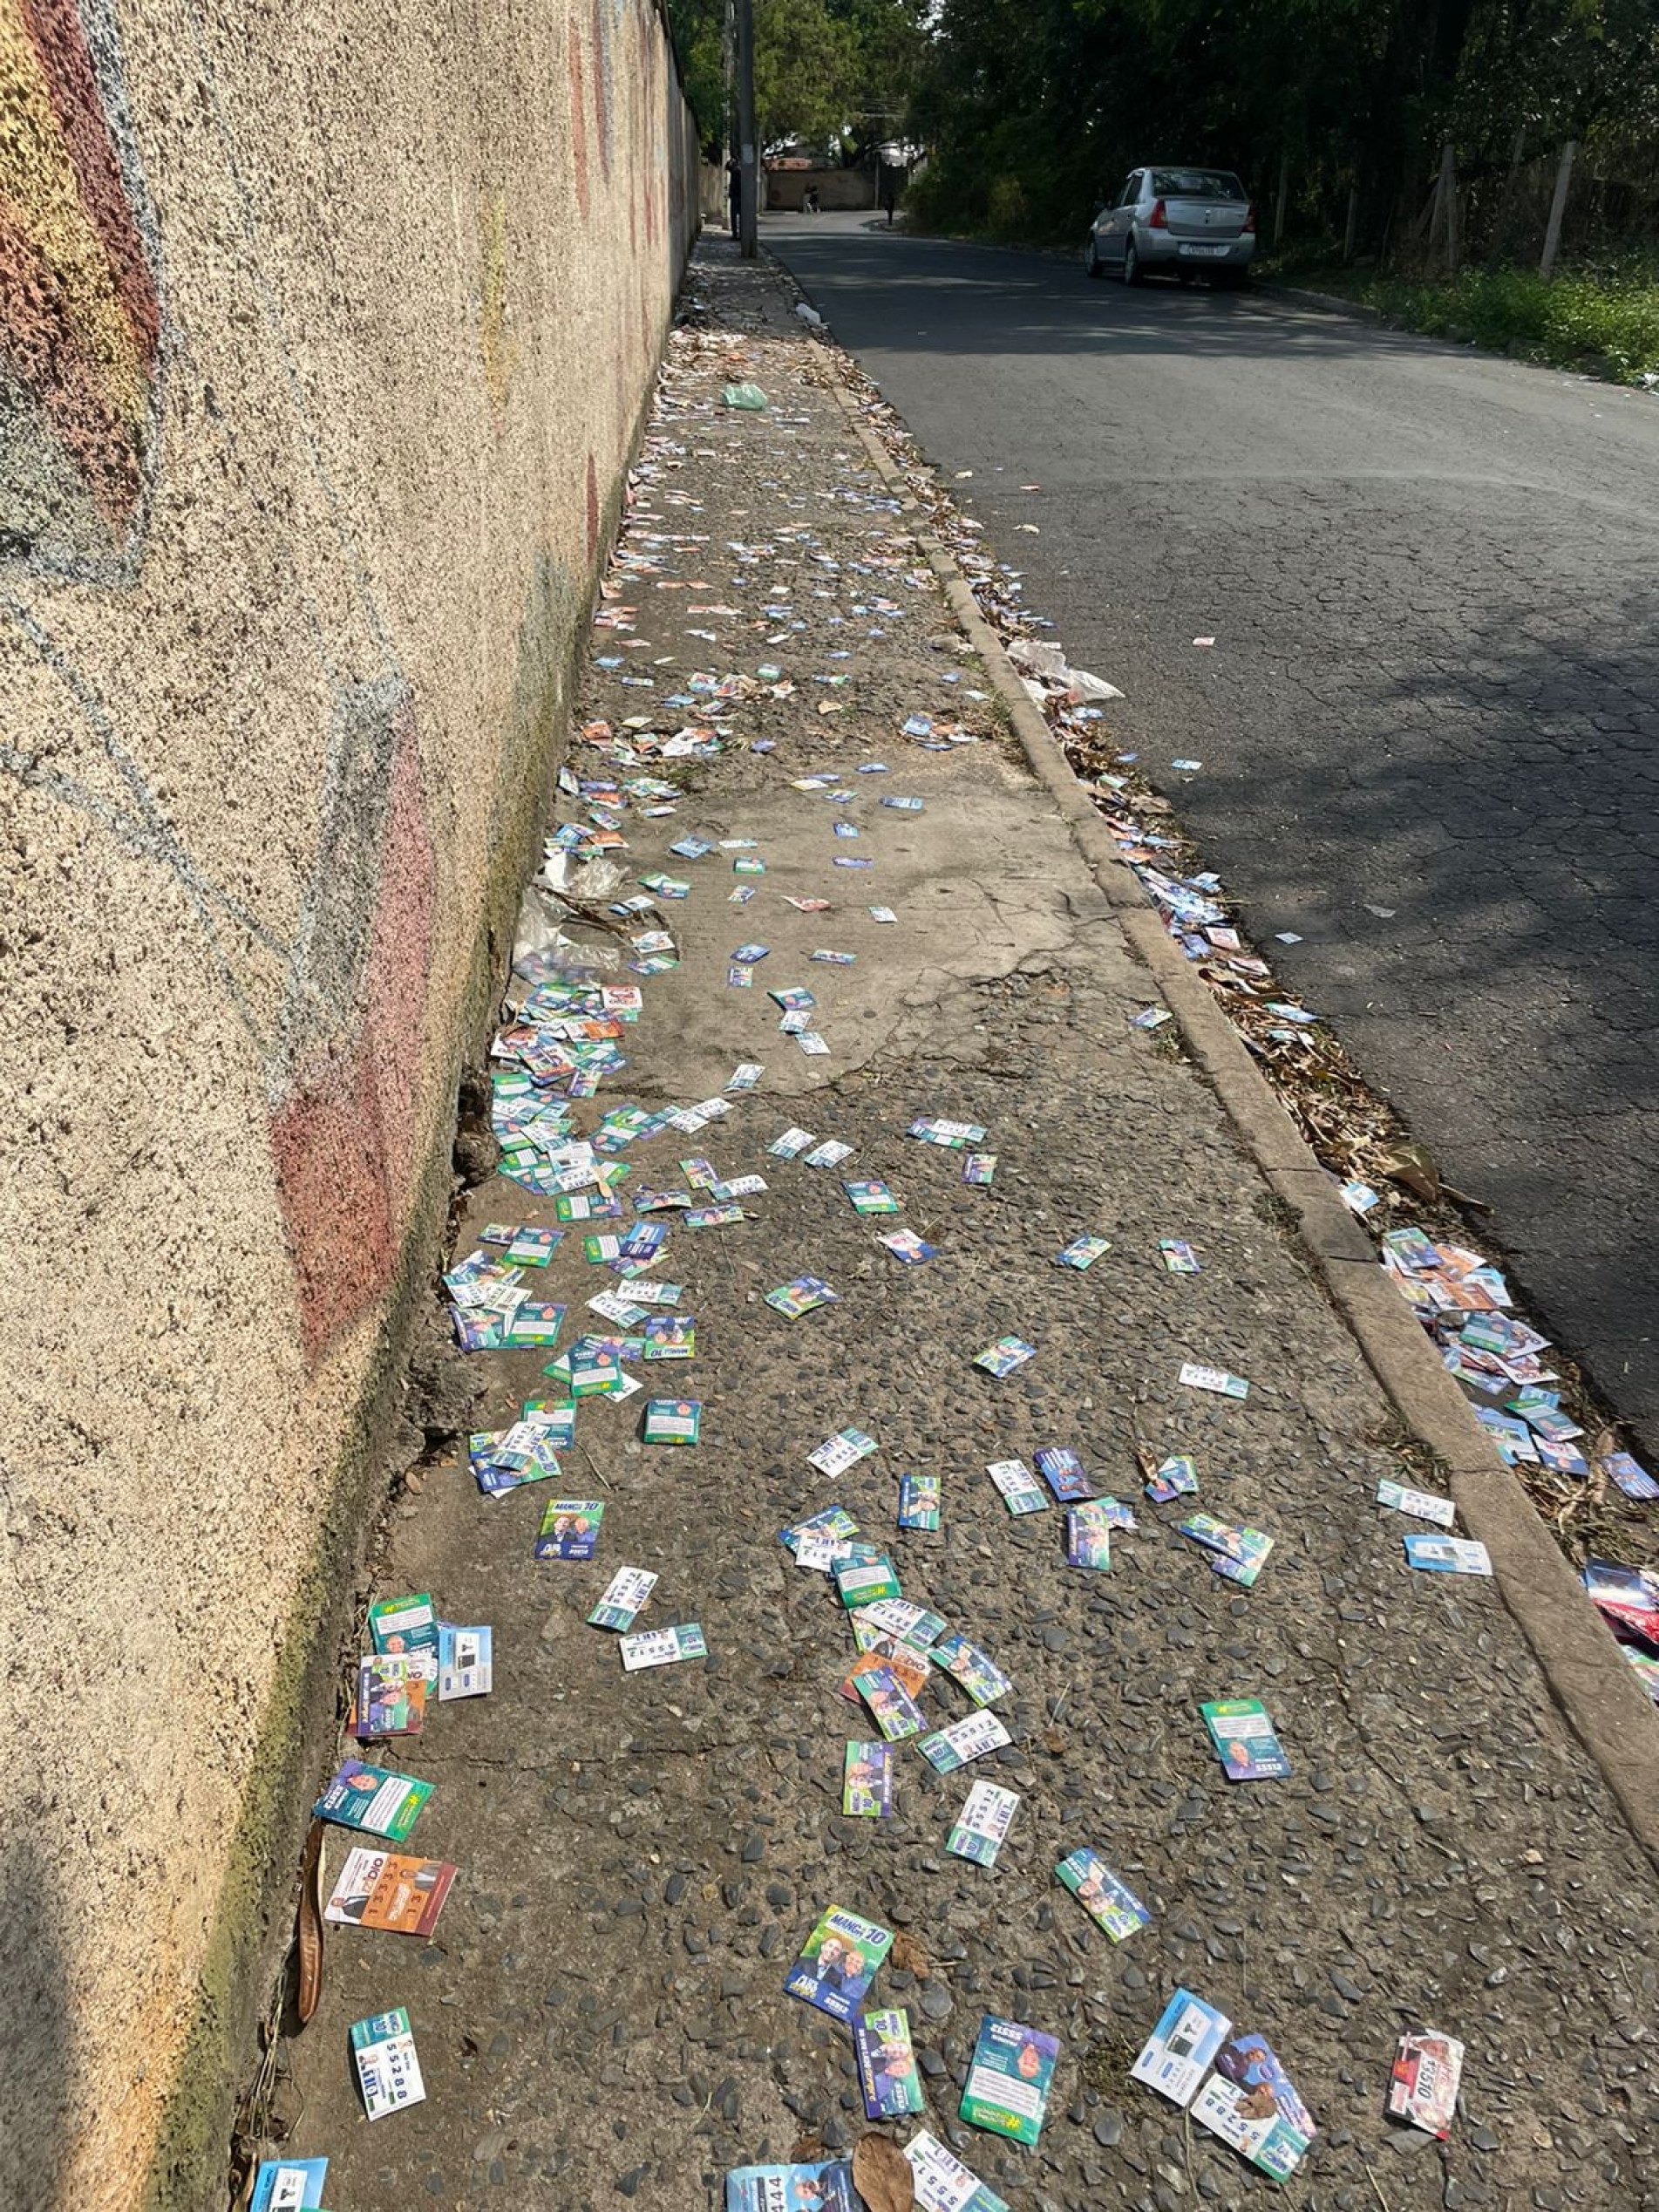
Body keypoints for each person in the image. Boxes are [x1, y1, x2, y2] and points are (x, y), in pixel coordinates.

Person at [727, 155, 741, 239]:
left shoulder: (735, 172)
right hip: (740, 196)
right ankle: (739, 234)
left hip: (736, 196)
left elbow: (734, 185)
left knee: (734, 216)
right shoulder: (739, 170)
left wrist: (731, 193)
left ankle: (735, 234)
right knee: (740, 217)